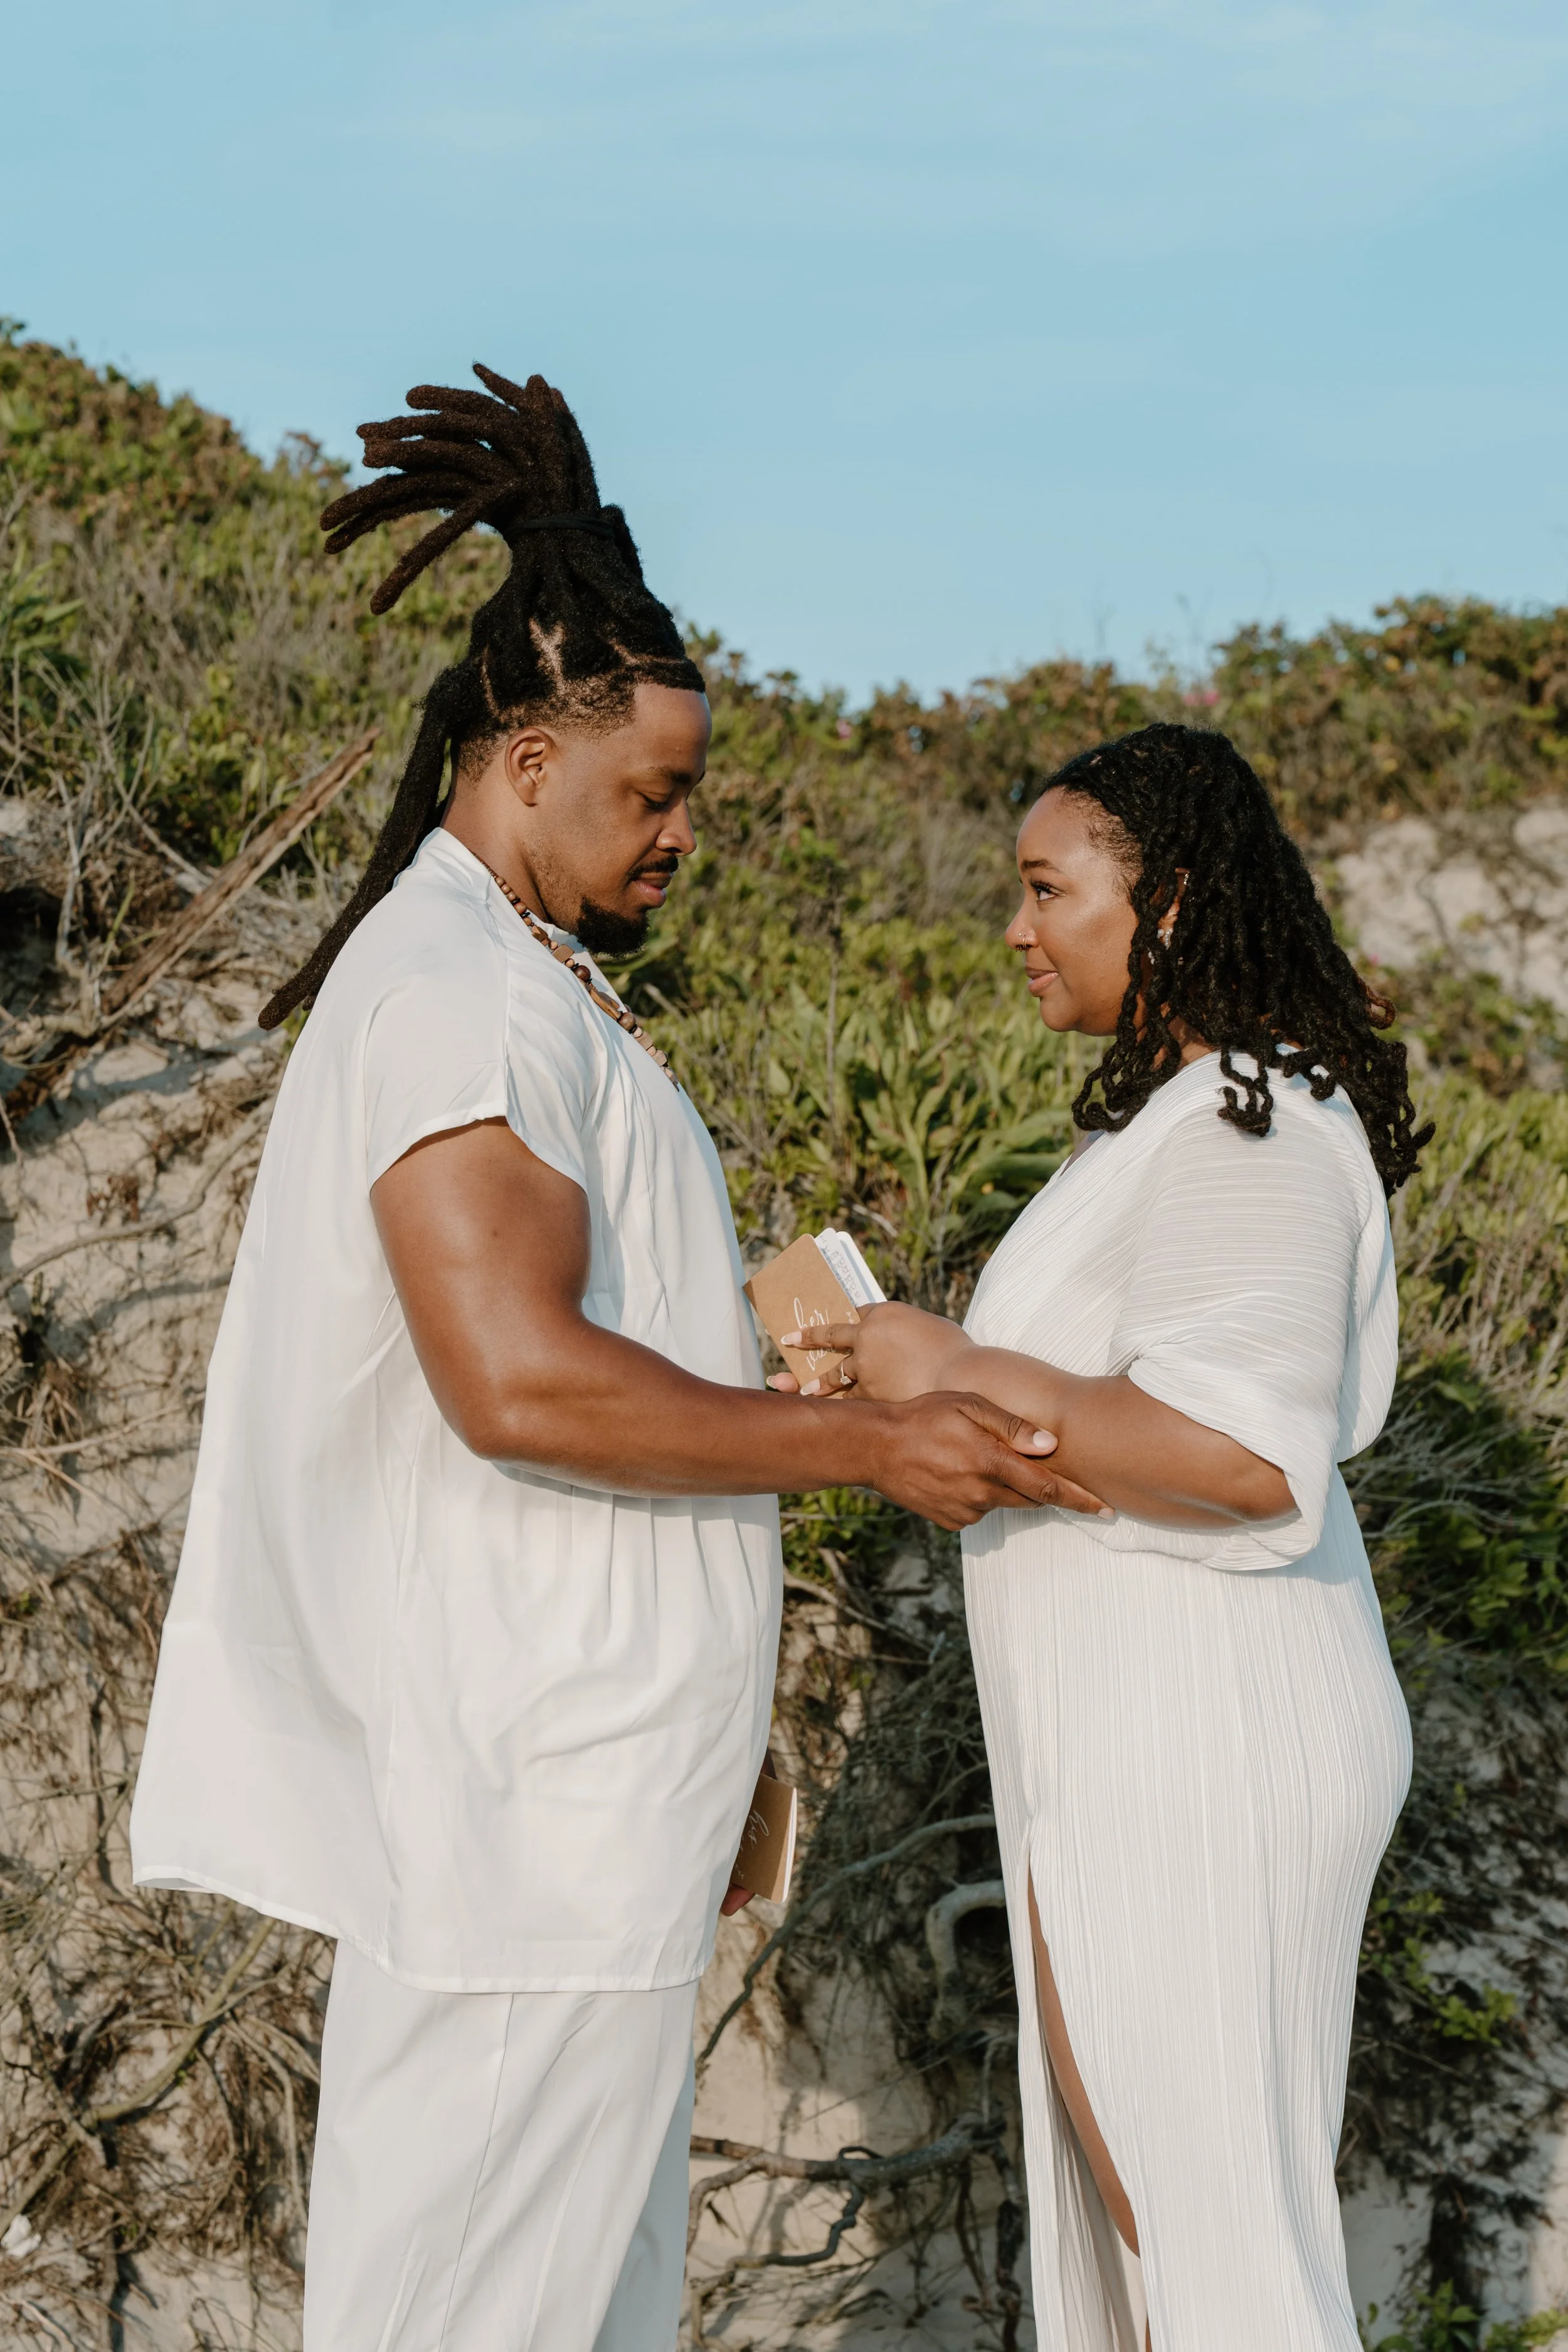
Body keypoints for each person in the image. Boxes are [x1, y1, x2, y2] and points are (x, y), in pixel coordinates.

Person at [128, 366, 1101, 2352]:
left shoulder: (528, 989)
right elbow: (517, 1382)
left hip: (584, 1807)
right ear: (519, 752)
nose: (679, 836)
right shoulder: (457, 997)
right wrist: (876, 1450)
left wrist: (777, 1370)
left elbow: (578, 1350)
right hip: (524, 1818)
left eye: (694, 796)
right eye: (649, 792)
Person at [782, 724, 1424, 2352]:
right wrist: (895, 1366)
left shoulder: (1244, 1118)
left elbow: (1237, 1450)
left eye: (1044, 886)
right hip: (1137, 1734)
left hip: (1208, 1734)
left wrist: (959, 1364)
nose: (1014, 926)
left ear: (1169, 897)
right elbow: (1101, 1410)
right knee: (1157, 2220)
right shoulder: (1176, 1119)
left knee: (1211, 2242)